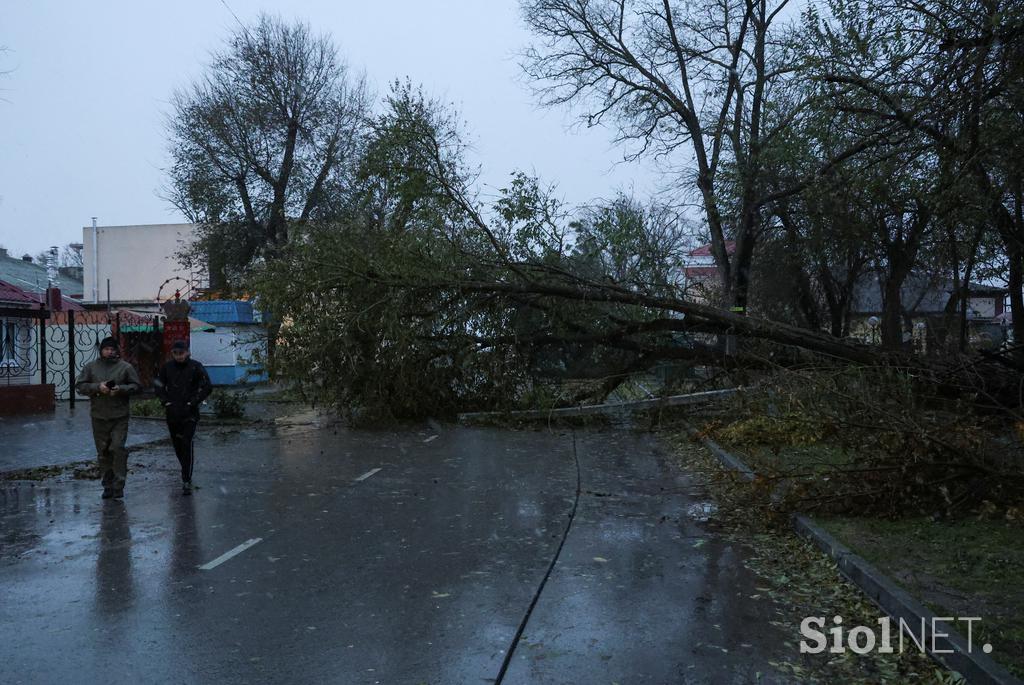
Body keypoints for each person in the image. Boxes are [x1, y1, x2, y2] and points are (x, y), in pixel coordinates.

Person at [75, 336, 142, 499]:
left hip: (119, 416)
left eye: (112, 349)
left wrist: (120, 389)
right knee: (103, 452)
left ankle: (119, 485)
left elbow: (137, 386)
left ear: (117, 351)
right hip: (99, 416)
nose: (109, 352)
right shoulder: (91, 367)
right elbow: (80, 386)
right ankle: (107, 485)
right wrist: (97, 387)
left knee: (117, 448)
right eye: (106, 349)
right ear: (101, 350)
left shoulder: (125, 367)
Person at [155, 340, 212, 495]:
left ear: (187, 352)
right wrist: (165, 401)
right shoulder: (167, 368)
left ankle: (186, 478)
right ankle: (184, 468)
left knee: (186, 443)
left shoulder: (195, 366)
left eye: (181, 353)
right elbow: (158, 385)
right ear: (172, 354)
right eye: (176, 353)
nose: (179, 356)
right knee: (177, 445)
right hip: (172, 412)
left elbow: (207, 386)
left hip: (189, 413)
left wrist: (193, 402)